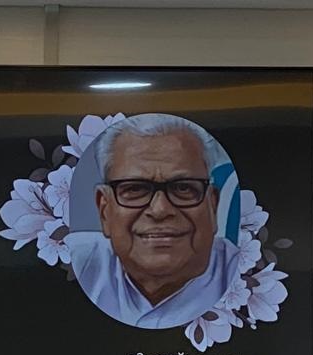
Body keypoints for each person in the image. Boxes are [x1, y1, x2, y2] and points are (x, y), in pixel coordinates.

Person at [69, 114, 240, 330]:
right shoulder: (76, 264)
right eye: (135, 189)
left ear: (212, 205)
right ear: (105, 210)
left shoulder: (245, 277)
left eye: (183, 188)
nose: (160, 210)